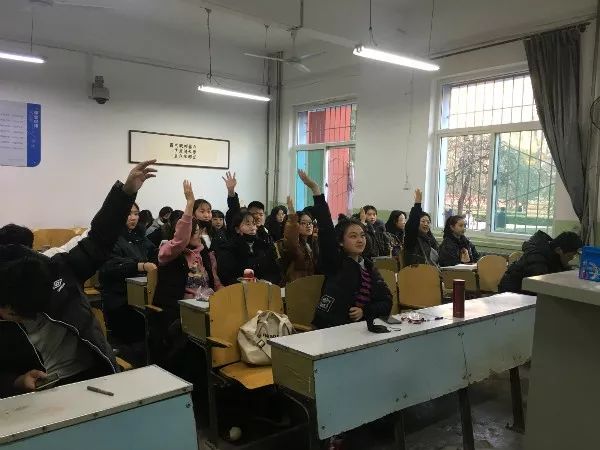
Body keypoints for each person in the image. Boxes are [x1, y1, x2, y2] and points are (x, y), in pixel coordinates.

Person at [0, 160, 156, 398]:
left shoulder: (59, 268)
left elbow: (99, 239)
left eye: (19, 310)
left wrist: (125, 193)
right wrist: (15, 381)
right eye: (6, 310)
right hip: (32, 395)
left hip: (92, 373)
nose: (9, 314)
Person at [296, 170, 392, 330]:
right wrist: (316, 190)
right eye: (353, 236)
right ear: (340, 242)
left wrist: (365, 311)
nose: (360, 240)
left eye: (362, 235)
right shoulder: (335, 262)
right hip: (330, 330)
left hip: (360, 330)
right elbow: (327, 229)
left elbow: (386, 302)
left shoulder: (369, 267)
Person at [154, 181, 223, 323]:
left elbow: (215, 281)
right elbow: (180, 240)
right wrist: (190, 204)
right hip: (181, 310)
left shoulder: (203, 253)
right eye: (195, 233)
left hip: (206, 305)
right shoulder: (168, 252)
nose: (199, 236)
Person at [98, 202, 156, 349]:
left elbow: (153, 253)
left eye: (136, 214)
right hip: (120, 297)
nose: (133, 218)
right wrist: (139, 266)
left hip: (141, 292)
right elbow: (110, 266)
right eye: (129, 214)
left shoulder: (139, 236)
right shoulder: (110, 237)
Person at [499, 231, 583, 294]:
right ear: (558, 250)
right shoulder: (537, 258)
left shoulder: (552, 254)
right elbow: (540, 286)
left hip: (524, 290)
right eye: (569, 256)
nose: (571, 258)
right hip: (511, 292)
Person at [217, 212, 282, 286]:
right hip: (239, 290)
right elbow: (225, 276)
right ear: (237, 229)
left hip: (264, 288)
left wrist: (268, 281)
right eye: (248, 224)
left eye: (254, 224)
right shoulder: (229, 249)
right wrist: (242, 283)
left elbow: (274, 271)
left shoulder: (264, 246)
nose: (253, 228)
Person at [223, 171, 274, 247]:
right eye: (254, 214)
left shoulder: (265, 232)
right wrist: (231, 191)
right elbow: (234, 208)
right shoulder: (237, 232)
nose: (258, 217)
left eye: (261, 214)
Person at [281, 196, 319, 282]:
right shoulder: (294, 244)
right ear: (297, 225)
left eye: (310, 223)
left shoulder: (312, 243)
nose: (308, 226)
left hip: (312, 285)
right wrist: (292, 217)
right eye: (303, 223)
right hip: (296, 285)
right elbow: (291, 239)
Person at [404, 189, 439, 266]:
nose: (426, 224)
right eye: (423, 221)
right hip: (415, 270)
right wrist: (417, 204)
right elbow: (412, 223)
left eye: (428, 222)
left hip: (430, 269)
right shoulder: (412, 237)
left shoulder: (430, 239)